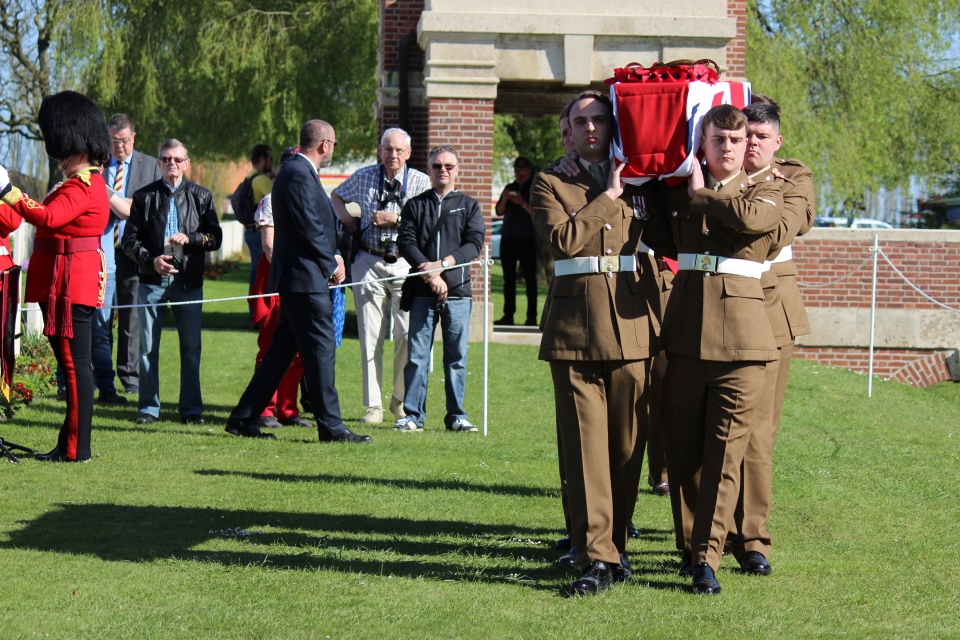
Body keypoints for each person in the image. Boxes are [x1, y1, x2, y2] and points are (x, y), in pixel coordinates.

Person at [530, 90, 663, 595]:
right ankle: (596, 555)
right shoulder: (550, 181)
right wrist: (609, 195)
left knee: (628, 446)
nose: (590, 129)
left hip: (630, 323)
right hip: (574, 328)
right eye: (579, 122)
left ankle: (616, 546)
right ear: (566, 132)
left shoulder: (642, 181)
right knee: (585, 447)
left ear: (613, 127)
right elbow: (564, 240)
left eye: (599, 120)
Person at [653, 104, 784, 594]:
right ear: (702, 144)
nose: (730, 147)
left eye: (737, 140)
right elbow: (653, 229)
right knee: (683, 455)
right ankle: (691, 546)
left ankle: (707, 560)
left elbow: (753, 223)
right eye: (719, 139)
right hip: (686, 335)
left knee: (727, 456)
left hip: (744, 343)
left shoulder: (766, 187)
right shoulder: (680, 192)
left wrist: (702, 196)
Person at [225, 120, 371, 443]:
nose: (333, 149)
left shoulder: (296, 172)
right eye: (333, 143)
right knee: (321, 350)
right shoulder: (298, 173)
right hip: (305, 278)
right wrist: (329, 260)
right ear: (324, 145)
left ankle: (243, 416)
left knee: (280, 354)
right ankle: (331, 427)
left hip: (299, 277)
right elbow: (309, 225)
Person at [728, 99, 815, 576]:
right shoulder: (715, 176)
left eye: (762, 136)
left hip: (770, 309)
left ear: (777, 141)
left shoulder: (792, 178)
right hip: (715, 308)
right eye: (748, 136)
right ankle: (706, 533)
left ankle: (753, 538)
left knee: (760, 433)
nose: (753, 144)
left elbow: (785, 228)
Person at [0, 90, 112, 462]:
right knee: (73, 365)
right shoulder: (78, 182)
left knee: (73, 365)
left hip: (69, 285)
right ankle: (69, 444)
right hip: (65, 281)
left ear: (77, 143)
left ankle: (77, 449)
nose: (60, 156)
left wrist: (7, 191)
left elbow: (47, 218)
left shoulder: (84, 184)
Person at [331, 128, 430, 424]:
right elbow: (336, 195)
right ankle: (372, 405)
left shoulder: (421, 181)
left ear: (408, 153)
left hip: (405, 263)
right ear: (380, 150)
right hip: (368, 260)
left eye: (399, 150)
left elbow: (427, 219)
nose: (393, 155)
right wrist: (347, 219)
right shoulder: (363, 176)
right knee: (370, 335)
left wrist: (396, 218)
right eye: (388, 149)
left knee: (405, 334)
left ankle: (399, 400)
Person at [122, 138, 223, 425]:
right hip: (151, 282)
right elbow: (128, 240)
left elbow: (215, 238)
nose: (172, 164)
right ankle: (148, 409)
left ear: (186, 164)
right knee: (146, 350)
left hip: (188, 283)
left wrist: (191, 238)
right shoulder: (143, 197)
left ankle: (191, 410)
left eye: (178, 159)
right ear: (159, 163)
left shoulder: (201, 196)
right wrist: (149, 260)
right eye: (166, 159)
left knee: (191, 349)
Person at [394, 145, 484, 433]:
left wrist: (442, 265)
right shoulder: (414, 205)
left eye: (448, 166)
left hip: (458, 291)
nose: (442, 170)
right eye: (436, 166)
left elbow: (473, 243)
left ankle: (457, 415)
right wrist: (431, 275)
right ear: (428, 170)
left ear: (457, 170)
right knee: (417, 356)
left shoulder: (470, 205)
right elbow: (406, 244)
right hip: (421, 291)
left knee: (457, 357)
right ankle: (412, 416)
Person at [248, 146, 312, 429]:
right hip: (278, 283)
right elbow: (270, 247)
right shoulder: (270, 202)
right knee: (271, 347)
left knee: (297, 350)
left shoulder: (310, 199)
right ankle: (264, 409)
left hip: (301, 283)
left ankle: (288, 409)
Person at [108, 113, 162, 397]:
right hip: (102, 250)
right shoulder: (98, 164)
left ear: (134, 137)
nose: (119, 147)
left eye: (125, 141)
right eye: (114, 141)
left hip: (133, 251)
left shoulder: (151, 166)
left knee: (130, 316)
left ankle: (129, 376)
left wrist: (128, 206)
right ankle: (100, 374)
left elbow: (154, 209)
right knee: (100, 314)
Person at [494, 156, 538, 326]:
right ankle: (508, 315)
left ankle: (531, 316)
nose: (519, 173)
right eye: (516, 170)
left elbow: (537, 214)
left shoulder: (534, 188)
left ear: (529, 171)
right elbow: (499, 211)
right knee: (508, 280)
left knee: (530, 280)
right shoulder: (509, 187)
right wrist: (505, 199)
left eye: (522, 170)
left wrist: (521, 203)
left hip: (527, 240)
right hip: (508, 239)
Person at [242, 144, 274, 305]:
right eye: (270, 158)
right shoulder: (262, 179)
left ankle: (254, 312)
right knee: (261, 273)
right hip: (260, 232)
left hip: (250, 230)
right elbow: (278, 197)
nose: (272, 162)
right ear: (262, 159)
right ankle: (257, 311)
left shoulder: (250, 176)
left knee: (255, 272)